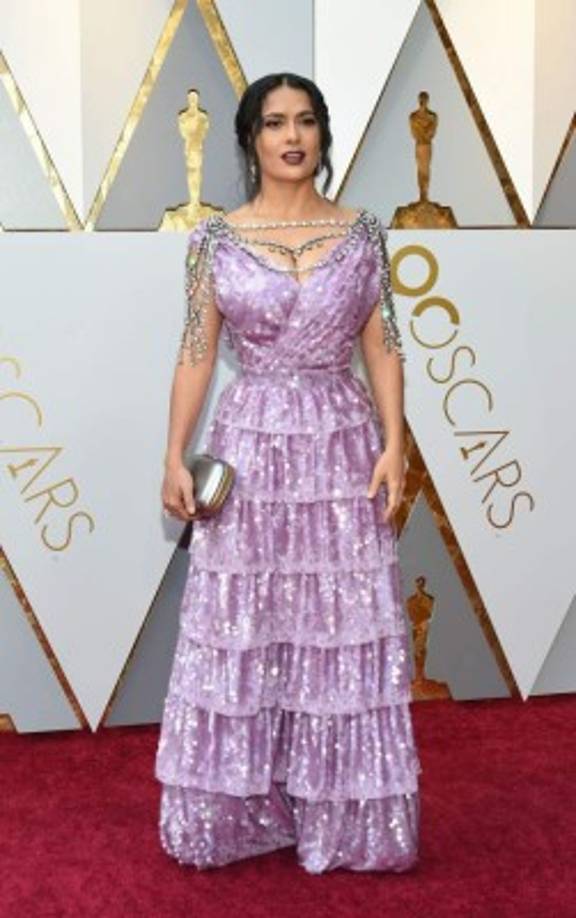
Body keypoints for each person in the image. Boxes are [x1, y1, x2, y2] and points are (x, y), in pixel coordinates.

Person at [155, 72, 422, 874]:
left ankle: (339, 812)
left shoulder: (364, 232)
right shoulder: (215, 239)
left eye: (306, 121)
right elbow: (198, 352)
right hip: (251, 443)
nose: (292, 136)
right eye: (274, 123)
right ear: (250, 139)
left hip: (341, 445)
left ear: (322, 134)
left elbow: (382, 346)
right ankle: (241, 805)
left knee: (337, 624)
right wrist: (173, 452)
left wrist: (394, 442)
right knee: (248, 623)